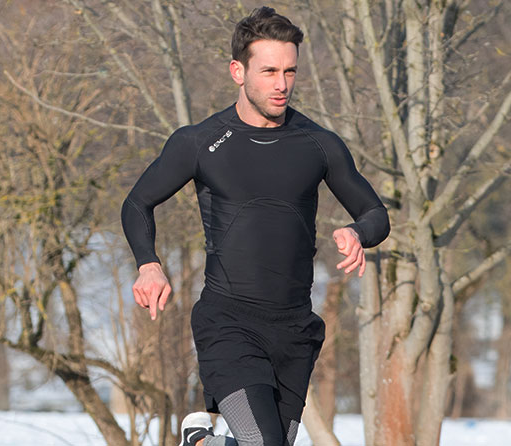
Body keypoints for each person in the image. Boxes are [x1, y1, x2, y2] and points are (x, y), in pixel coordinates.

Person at [120, 6, 389, 446]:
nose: (281, 84)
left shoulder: (319, 144)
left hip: (294, 329)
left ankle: (202, 442)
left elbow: (376, 213)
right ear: (238, 71)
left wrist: (358, 232)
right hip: (228, 320)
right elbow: (137, 203)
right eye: (269, 71)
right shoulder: (200, 142)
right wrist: (148, 264)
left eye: (289, 71)